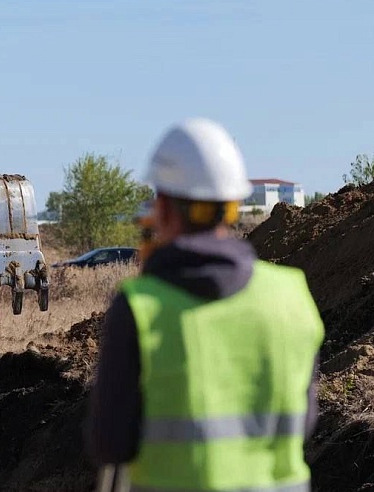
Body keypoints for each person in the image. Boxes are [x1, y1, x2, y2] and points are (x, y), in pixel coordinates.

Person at [87, 118, 324, 491]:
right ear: (231, 207)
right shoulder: (291, 295)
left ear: (163, 206)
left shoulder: (141, 307)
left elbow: (111, 442)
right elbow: (305, 422)